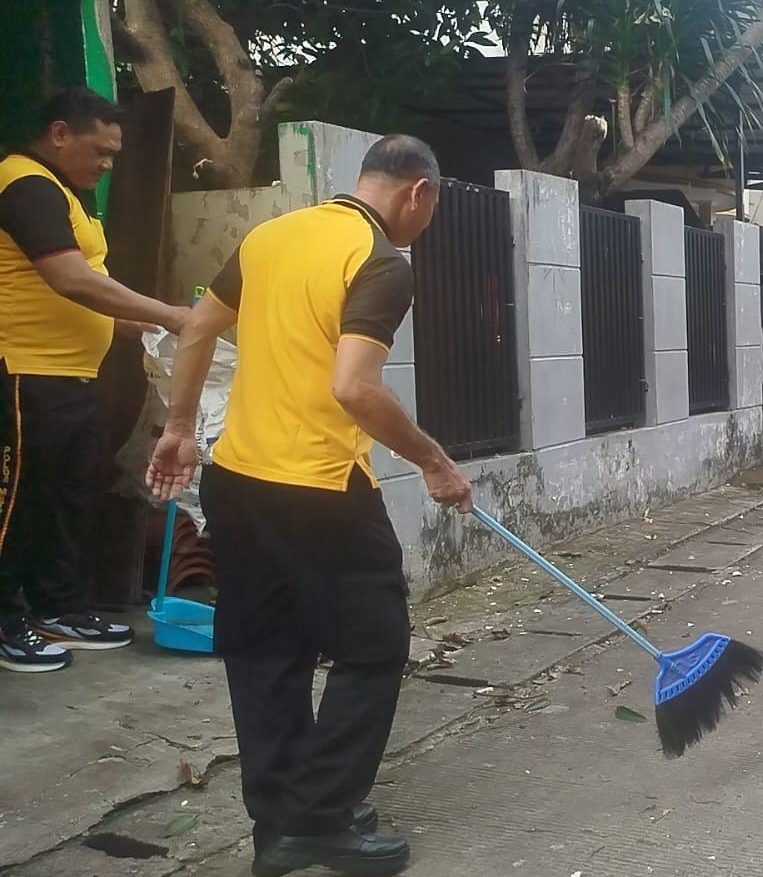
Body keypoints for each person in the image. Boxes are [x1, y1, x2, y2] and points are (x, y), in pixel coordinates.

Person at [147, 134, 472, 876]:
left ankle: (281, 825)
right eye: (430, 209)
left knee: (266, 651)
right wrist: (434, 461)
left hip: (237, 479)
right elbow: (354, 387)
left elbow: (196, 327)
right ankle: (322, 818)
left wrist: (178, 428)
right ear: (418, 193)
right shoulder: (381, 260)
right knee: (374, 647)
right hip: (319, 490)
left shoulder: (270, 237)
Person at [0, 87, 189, 673]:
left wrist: (139, 325)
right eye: (100, 150)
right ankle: (5, 623)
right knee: (15, 505)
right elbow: (70, 279)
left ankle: (57, 609)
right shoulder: (24, 183)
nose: (107, 164)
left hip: (71, 378)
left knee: (62, 499)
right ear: (60, 133)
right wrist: (169, 314)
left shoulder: (67, 196)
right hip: (24, 374)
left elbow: (92, 287)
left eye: (114, 155)